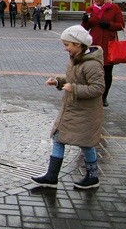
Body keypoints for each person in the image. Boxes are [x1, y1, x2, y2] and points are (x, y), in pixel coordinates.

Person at [32, 25, 105, 190]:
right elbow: (73, 78)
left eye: (68, 45)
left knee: (86, 144)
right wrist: (58, 81)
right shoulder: (77, 59)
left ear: (78, 45)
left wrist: (74, 89)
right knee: (58, 139)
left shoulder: (92, 64)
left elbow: (98, 88)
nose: (65, 49)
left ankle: (92, 177)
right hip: (72, 109)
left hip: (85, 112)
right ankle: (51, 176)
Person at [82, 0, 126, 107]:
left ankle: (104, 96)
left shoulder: (114, 8)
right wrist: (84, 20)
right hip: (94, 44)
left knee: (107, 72)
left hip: (108, 45)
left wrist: (109, 25)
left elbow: (121, 25)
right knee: (92, 71)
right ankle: (92, 95)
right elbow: (85, 28)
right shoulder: (90, 9)